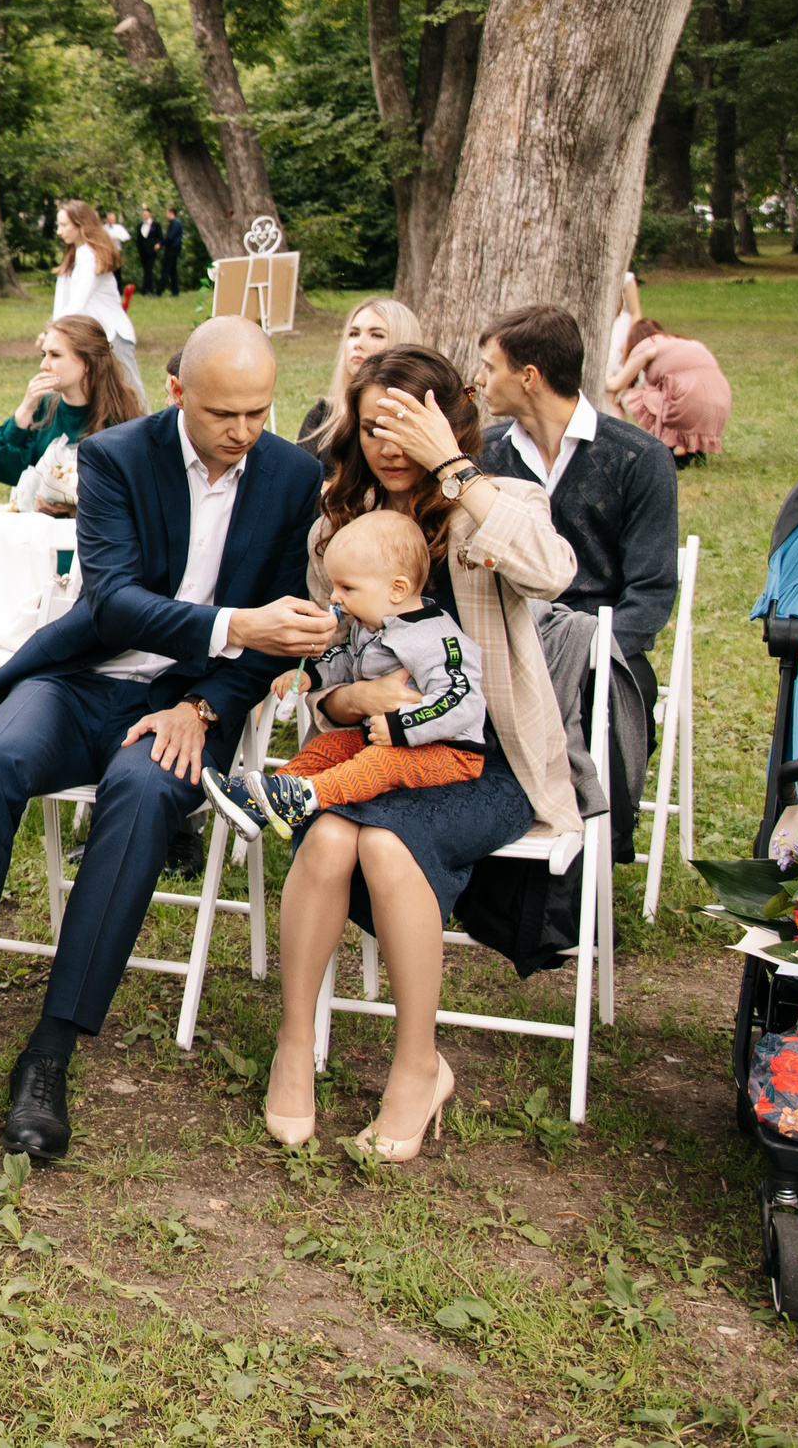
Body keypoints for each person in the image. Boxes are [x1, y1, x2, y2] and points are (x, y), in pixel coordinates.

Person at [0, 319, 332, 1154]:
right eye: (226, 412)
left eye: (260, 411)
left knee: (145, 791)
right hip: (81, 679)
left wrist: (207, 706)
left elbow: (282, 633)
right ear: (180, 389)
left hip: (192, 702)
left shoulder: (294, 474)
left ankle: (49, 1053)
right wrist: (235, 622)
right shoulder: (117, 456)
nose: (245, 432)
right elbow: (114, 601)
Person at [255, 346, 580, 1162]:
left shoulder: (495, 501)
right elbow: (322, 671)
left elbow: (555, 571)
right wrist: (349, 699)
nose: (388, 444)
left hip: (487, 761)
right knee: (331, 834)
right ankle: (295, 1046)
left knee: (390, 841)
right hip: (369, 745)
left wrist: (457, 471)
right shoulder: (339, 530)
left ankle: (417, 1064)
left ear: (447, 419)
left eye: (407, 424)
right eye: (373, 426)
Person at [472, 304, 678, 860]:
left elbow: (652, 591)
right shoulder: (482, 458)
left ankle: (590, 864)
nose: (480, 380)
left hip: (601, 645)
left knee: (608, 692)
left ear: (529, 377)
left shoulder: (640, 458)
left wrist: (588, 651)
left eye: (490, 368)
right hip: (500, 640)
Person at [204, 508, 488, 842]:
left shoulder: (438, 639)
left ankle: (304, 798)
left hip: (449, 752)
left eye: (347, 588)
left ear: (397, 589)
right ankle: (263, 798)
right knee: (331, 744)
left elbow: (460, 699)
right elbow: (347, 658)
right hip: (389, 737)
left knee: (381, 761)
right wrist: (311, 675)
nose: (335, 598)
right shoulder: (371, 628)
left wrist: (402, 725)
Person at [0, 312, 145, 501]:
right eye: (43, 354)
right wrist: (25, 410)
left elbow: (133, 491)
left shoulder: (121, 419)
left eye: (55, 355)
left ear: (86, 363)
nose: (43, 365)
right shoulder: (42, 409)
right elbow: (1, 469)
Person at [296, 296, 424, 452]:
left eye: (377, 335)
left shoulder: (420, 424)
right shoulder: (322, 416)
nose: (358, 344)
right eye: (353, 334)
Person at [608, 314, 731, 465]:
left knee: (621, 397)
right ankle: (693, 448)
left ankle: (624, 445)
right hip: (720, 407)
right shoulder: (684, 342)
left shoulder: (646, 345)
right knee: (666, 397)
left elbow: (615, 385)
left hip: (689, 404)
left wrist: (605, 374)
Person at [50, 198, 141, 402]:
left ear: (81, 225)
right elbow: (63, 304)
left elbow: (77, 302)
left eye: (64, 225)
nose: (59, 231)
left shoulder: (90, 256)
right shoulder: (74, 256)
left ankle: (154, 435)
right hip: (94, 340)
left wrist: (54, 332)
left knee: (133, 400)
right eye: (59, 225)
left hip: (114, 337)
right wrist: (53, 332)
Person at [602, 270, 645, 414]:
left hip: (619, 332)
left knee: (612, 394)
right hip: (601, 328)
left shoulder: (626, 278)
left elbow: (636, 312)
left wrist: (629, 341)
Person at [134, 206, 162, 297]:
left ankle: (143, 290)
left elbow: (160, 238)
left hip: (152, 251)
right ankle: (149, 290)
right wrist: (139, 249)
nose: (144, 216)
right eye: (143, 214)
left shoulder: (156, 225)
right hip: (143, 252)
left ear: (150, 214)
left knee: (149, 270)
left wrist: (159, 245)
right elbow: (138, 239)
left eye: (146, 214)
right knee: (146, 270)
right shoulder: (140, 226)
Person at [161, 207, 186, 296]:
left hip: (172, 249)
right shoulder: (174, 223)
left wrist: (161, 243)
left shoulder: (176, 223)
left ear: (172, 213)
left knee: (165, 269)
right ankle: (175, 291)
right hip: (172, 248)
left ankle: (159, 291)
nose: (166, 215)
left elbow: (170, 237)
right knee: (172, 271)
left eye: (167, 213)